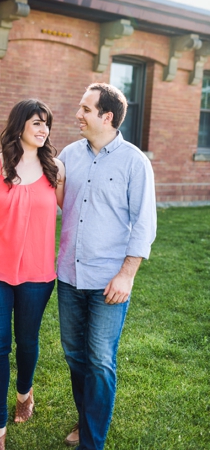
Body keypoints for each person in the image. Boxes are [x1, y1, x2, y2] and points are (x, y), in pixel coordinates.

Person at [56, 83, 155, 450]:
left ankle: (92, 442)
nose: (77, 114)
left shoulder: (134, 162)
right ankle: (87, 421)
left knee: (99, 360)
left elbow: (144, 224)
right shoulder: (69, 154)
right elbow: (49, 201)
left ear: (106, 116)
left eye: (85, 108)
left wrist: (127, 274)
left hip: (108, 281)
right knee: (74, 354)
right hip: (68, 275)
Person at [0, 99, 65, 450]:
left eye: (46, 124)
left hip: (38, 276)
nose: (43, 130)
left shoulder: (56, 170)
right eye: (37, 123)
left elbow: (73, 213)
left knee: (27, 342)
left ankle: (25, 392)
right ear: (20, 125)